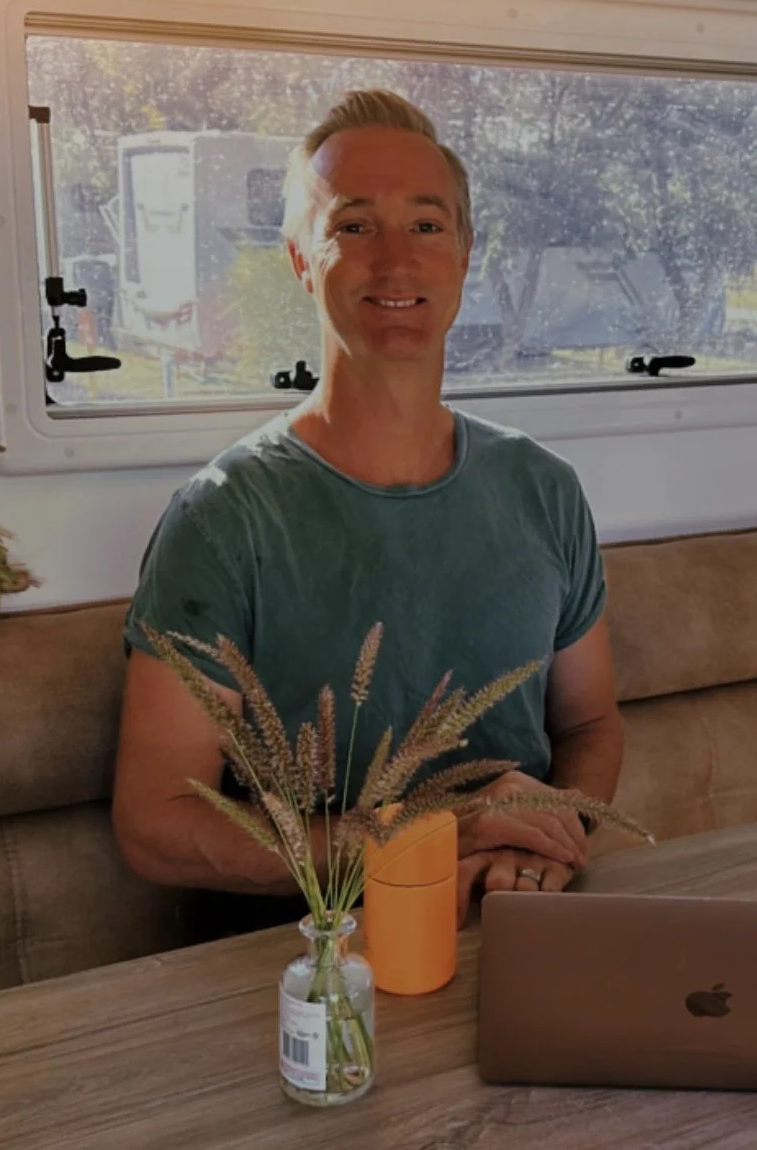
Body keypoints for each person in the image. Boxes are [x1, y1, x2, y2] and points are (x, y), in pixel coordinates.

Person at [111, 89, 624, 930]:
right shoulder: (222, 519)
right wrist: (431, 832)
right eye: (353, 225)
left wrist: (544, 840)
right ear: (300, 259)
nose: (396, 260)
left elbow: (592, 722)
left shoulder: (546, 490)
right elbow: (155, 827)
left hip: (521, 926)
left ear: (464, 254)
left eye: (426, 225)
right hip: (315, 963)